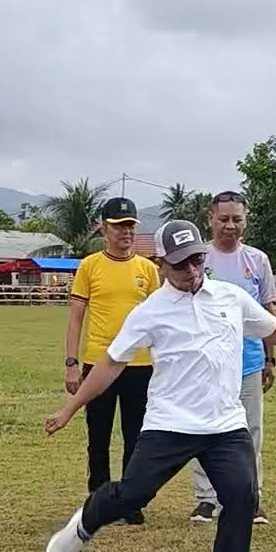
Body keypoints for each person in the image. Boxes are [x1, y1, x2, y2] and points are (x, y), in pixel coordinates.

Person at [43, 220, 276, 552]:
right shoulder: (149, 312)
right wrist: (71, 408)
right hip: (170, 423)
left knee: (242, 497)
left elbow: (273, 329)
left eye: (197, 261)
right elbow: (111, 363)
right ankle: (84, 524)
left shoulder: (230, 297)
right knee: (132, 496)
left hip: (224, 425)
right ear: (163, 264)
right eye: (182, 264)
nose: (192, 271)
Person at [65, 197, 160, 524]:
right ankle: (99, 499)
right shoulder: (90, 266)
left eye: (131, 226)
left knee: (137, 437)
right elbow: (76, 317)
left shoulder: (148, 270)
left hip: (139, 365)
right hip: (98, 364)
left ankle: (130, 501)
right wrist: (71, 362)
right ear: (103, 228)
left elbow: (160, 320)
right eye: (119, 226)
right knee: (98, 436)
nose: (126, 232)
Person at [189, 191, 276, 525]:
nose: (230, 225)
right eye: (223, 219)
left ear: (246, 220)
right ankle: (207, 499)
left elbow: (269, 310)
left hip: (248, 361)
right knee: (202, 430)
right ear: (209, 219)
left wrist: (271, 359)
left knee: (249, 432)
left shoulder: (257, 260)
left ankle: (250, 499)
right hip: (205, 365)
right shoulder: (197, 259)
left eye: (237, 219)